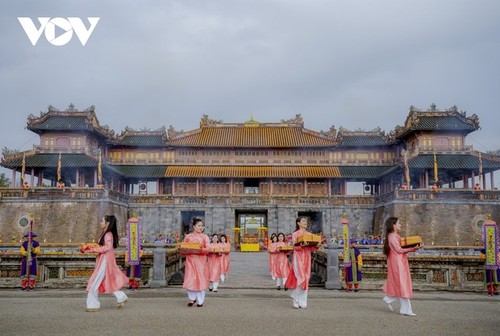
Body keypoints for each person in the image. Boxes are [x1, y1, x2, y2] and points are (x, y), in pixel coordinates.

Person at [81, 215, 129, 312]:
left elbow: (107, 247)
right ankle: (121, 296)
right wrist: (90, 248)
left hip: (105, 261)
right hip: (103, 260)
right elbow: (102, 246)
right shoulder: (106, 234)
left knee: (95, 282)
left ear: (107, 223)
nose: (100, 223)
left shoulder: (108, 234)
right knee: (107, 281)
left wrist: (92, 250)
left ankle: (92, 305)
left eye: (102, 221)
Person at [382, 217, 421, 316]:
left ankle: (391, 300)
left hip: (399, 261)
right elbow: (399, 250)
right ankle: (405, 309)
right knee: (402, 284)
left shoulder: (394, 236)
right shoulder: (393, 237)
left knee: (401, 284)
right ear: (393, 225)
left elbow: (401, 248)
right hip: (398, 263)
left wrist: (413, 247)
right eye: (399, 223)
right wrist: (412, 249)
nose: (400, 225)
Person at [287, 217, 320, 309]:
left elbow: (311, 248)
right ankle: (296, 299)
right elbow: (295, 247)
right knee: (300, 277)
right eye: (303, 221)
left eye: (306, 221)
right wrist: (302, 245)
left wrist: (317, 245)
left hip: (307, 258)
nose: (306, 223)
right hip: (298, 258)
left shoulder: (309, 234)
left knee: (306, 278)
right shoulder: (295, 234)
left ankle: (303, 301)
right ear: (298, 223)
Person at [182, 218, 210, 307]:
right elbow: (183, 248)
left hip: (201, 261)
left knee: (200, 279)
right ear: (194, 226)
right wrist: (184, 251)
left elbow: (208, 248)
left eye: (202, 226)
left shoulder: (205, 237)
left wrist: (201, 250)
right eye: (199, 225)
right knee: (190, 278)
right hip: (190, 260)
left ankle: (200, 301)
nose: (201, 227)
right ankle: (192, 298)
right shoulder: (188, 237)